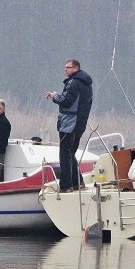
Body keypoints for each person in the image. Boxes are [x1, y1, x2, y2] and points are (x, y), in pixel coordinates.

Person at [45, 59, 93, 192]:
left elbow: (66, 101)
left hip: (69, 122)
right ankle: (78, 182)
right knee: (71, 153)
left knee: (65, 154)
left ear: (76, 68)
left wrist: (54, 96)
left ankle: (66, 186)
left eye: (68, 67)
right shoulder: (87, 83)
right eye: (65, 67)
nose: (65, 69)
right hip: (80, 123)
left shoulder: (73, 82)